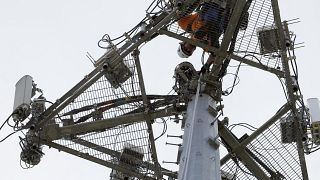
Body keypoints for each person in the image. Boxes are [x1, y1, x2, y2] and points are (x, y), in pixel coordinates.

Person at [177, 0, 247, 73]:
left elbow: (179, 12)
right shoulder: (205, 46)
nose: (189, 49)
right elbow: (214, 56)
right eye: (189, 52)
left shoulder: (185, 25)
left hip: (211, 8)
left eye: (185, 49)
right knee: (214, 48)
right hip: (223, 17)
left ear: (182, 43)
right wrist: (206, 66)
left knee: (200, 33)